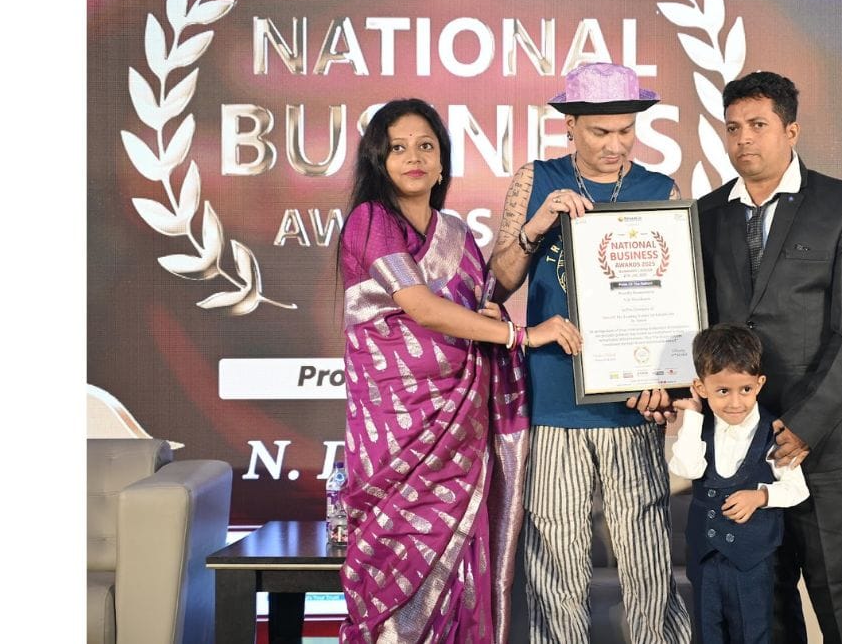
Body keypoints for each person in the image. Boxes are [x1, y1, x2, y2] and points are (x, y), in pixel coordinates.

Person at [336, 98, 580, 643]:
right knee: (398, 565)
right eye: (398, 148)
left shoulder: (456, 232)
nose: (414, 157)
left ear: (443, 163)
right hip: (398, 435)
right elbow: (422, 307)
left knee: (463, 567)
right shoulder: (370, 221)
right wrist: (522, 334)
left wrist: (535, 229)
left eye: (426, 146)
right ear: (379, 161)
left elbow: (483, 301)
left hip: (460, 436)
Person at [488, 62, 693, 644]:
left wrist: (670, 382)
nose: (615, 144)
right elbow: (498, 282)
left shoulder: (661, 191)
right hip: (554, 396)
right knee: (556, 558)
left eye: (626, 130)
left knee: (647, 558)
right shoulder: (537, 179)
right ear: (570, 126)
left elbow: (675, 302)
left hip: (631, 399)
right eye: (600, 132)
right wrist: (537, 223)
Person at [696, 70, 842, 643]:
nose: (743, 139)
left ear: (792, 131)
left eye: (758, 125)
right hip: (740, 444)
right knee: (762, 611)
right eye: (733, 127)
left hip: (825, 441)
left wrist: (802, 425)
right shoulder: (705, 215)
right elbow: (696, 326)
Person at [668, 324, 810, 644]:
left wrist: (760, 497)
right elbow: (687, 467)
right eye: (723, 391)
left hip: (752, 561)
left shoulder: (774, 431)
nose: (735, 402)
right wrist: (692, 416)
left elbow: (797, 488)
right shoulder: (700, 427)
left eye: (745, 389)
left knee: (752, 633)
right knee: (708, 632)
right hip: (705, 557)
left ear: (759, 384)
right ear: (701, 387)